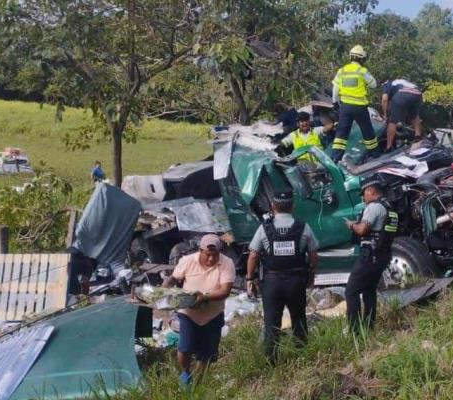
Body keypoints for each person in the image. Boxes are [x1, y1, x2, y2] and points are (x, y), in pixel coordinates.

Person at [245, 192, 319, 363]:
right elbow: (314, 255)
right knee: (299, 320)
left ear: (273, 207)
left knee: (271, 323)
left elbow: (253, 255)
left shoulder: (264, 228)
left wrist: (250, 278)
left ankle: (272, 363)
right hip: (296, 281)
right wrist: (311, 273)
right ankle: (303, 359)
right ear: (292, 207)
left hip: (272, 282)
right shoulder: (303, 227)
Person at [162, 235, 235, 386]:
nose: (211, 259)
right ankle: (186, 373)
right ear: (200, 250)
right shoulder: (187, 261)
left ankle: (199, 382)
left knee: (207, 353)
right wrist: (163, 288)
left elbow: (225, 290)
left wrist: (205, 297)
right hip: (189, 314)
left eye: (215, 255)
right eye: (208, 255)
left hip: (213, 314)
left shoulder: (227, 263)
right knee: (185, 347)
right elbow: (174, 278)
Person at [344, 179, 398, 334]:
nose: (363, 198)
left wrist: (352, 225)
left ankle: (355, 331)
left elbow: (362, 230)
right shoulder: (389, 208)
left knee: (351, 291)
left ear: (372, 191)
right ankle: (369, 328)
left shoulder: (374, 207)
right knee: (369, 291)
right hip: (382, 256)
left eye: (364, 194)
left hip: (370, 256)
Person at [331, 45, 378, 163]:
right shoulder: (362, 71)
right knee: (367, 130)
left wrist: (335, 102)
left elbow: (335, 89)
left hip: (345, 107)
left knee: (341, 132)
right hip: (360, 107)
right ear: (362, 59)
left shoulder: (342, 71)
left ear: (350, 57)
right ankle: (375, 154)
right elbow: (374, 85)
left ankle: (335, 157)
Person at [380, 79, 423, 150]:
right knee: (414, 115)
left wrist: (385, 116)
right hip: (418, 94)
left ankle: (388, 146)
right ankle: (418, 136)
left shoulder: (386, 83)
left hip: (402, 94)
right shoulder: (402, 81)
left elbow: (384, 99)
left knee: (392, 121)